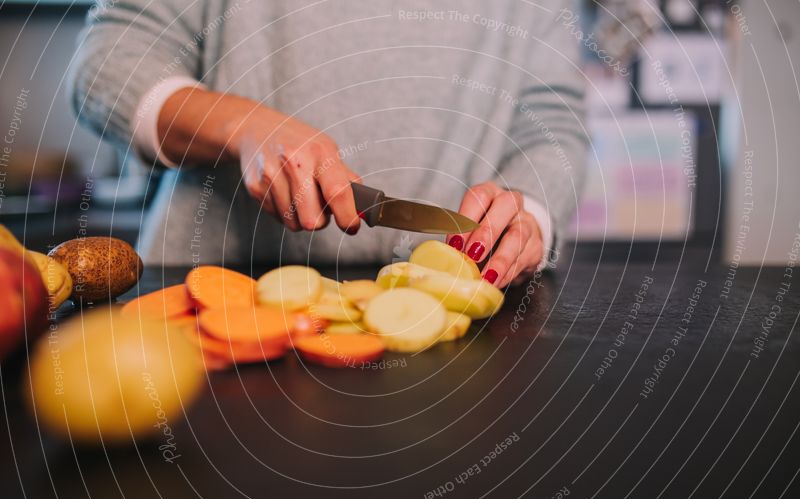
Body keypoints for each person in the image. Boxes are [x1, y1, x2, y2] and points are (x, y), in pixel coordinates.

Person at [69, 0, 587, 287]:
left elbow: (553, 120)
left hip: (447, 316)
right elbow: (106, 64)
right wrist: (242, 125)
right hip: (204, 294)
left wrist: (529, 212)